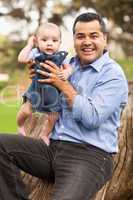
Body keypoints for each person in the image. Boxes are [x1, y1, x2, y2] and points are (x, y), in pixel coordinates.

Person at [0, 12, 128, 200]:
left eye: (93, 36)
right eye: (80, 36)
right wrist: (39, 79)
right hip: (53, 149)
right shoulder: (65, 64)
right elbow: (44, 96)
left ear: (105, 39)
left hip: (90, 156)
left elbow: (92, 118)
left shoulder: (113, 75)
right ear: (74, 39)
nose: (87, 42)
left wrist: (63, 85)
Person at [17, 22, 72, 144]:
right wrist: (29, 45)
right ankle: (20, 126)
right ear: (37, 41)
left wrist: (66, 73)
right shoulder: (36, 53)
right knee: (26, 110)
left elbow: (69, 68)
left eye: (54, 40)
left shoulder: (61, 56)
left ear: (59, 43)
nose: (49, 43)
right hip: (35, 89)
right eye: (44, 40)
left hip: (52, 92)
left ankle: (45, 134)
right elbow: (21, 58)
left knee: (54, 116)